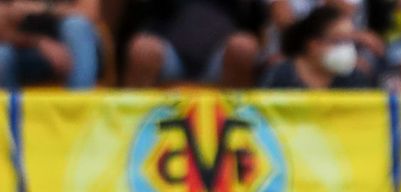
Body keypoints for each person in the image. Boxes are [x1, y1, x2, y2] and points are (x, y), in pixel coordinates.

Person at [123, 0, 263, 88]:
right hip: (169, 55)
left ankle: (240, 127)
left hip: (220, 56)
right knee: (143, 50)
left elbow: (261, 14)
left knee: (243, 48)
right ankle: (133, 129)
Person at [260, 4, 380, 87]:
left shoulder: (354, 78)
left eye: (349, 41)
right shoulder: (280, 76)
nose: (346, 48)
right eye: (339, 41)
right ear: (313, 45)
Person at [0, 0, 100, 89]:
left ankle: (78, 103)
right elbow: (2, 30)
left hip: (77, 50)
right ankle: (11, 108)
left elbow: (88, 14)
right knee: (2, 55)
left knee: (75, 25)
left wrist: (41, 8)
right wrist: (39, 42)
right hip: (26, 49)